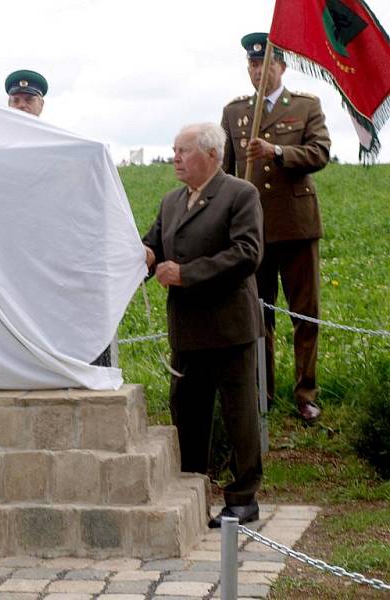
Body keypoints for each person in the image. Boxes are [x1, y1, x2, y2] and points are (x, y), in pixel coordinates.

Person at [143, 123, 264, 527]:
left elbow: (247, 253)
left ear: (212, 155)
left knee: (238, 413)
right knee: (188, 413)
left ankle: (243, 497)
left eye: (184, 151)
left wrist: (188, 273)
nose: (176, 157)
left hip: (229, 327)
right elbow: (154, 245)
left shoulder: (239, 194)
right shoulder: (172, 201)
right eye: (174, 150)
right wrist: (143, 255)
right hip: (188, 329)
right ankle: (194, 488)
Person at [221, 32, 331, 423]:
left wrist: (278, 151)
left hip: (297, 227)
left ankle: (306, 393)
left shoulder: (305, 106)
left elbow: (320, 152)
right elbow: (225, 171)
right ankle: (261, 393)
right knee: (258, 315)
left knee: (305, 314)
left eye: (266, 63)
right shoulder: (235, 113)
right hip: (253, 233)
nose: (258, 70)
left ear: (282, 67)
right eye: (252, 64)